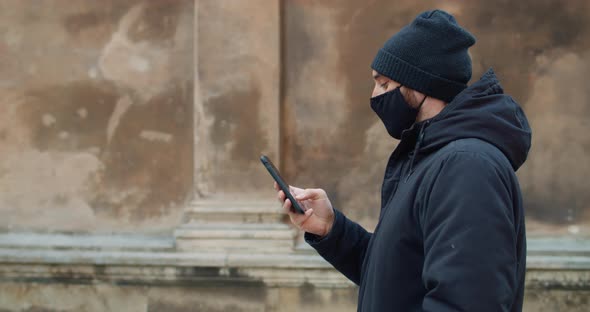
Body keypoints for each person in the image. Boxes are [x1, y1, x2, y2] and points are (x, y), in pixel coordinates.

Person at [274, 9, 532, 312]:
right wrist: (332, 229)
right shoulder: (431, 159)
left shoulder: (468, 167)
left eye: (384, 84)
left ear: (421, 84)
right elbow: (397, 277)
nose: (374, 95)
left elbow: (468, 301)